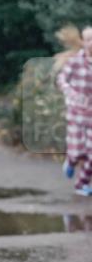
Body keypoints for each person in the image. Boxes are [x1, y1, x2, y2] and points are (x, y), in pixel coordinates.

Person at [57, 26, 92, 196]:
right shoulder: (75, 61)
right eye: (89, 39)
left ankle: (81, 185)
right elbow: (62, 79)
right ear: (83, 42)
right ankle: (71, 161)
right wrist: (71, 93)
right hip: (76, 113)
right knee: (78, 152)